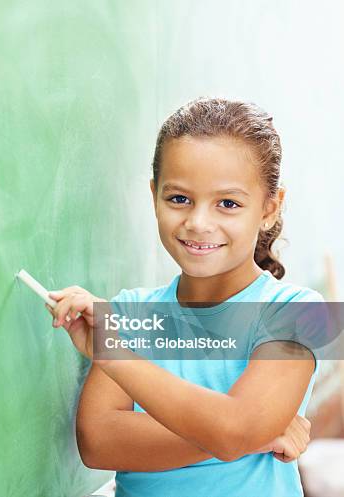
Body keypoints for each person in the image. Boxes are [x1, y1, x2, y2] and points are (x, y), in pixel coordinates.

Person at [46, 97, 322, 496]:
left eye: (228, 203)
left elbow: (234, 429)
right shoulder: (129, 311)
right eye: (179, 199)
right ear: (154, 194)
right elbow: (98, 442)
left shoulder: (300, 313)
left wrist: (115, 354)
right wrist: (255, 437)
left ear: (269, 208)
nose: (198, 223)